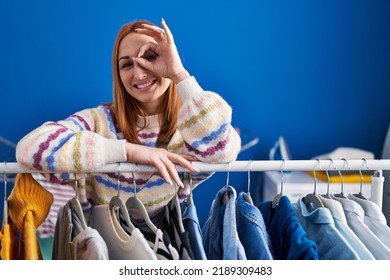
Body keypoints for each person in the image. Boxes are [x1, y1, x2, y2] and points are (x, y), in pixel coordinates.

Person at [15, 18, 241, 227]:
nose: (139, 73)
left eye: (150, 58)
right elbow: (29, 149)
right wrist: (129, 151)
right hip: (101, 246)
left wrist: (178, 73)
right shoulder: (99, 120)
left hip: (169, 248)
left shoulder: (191, 129)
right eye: (126, 65)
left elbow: (220, 152)